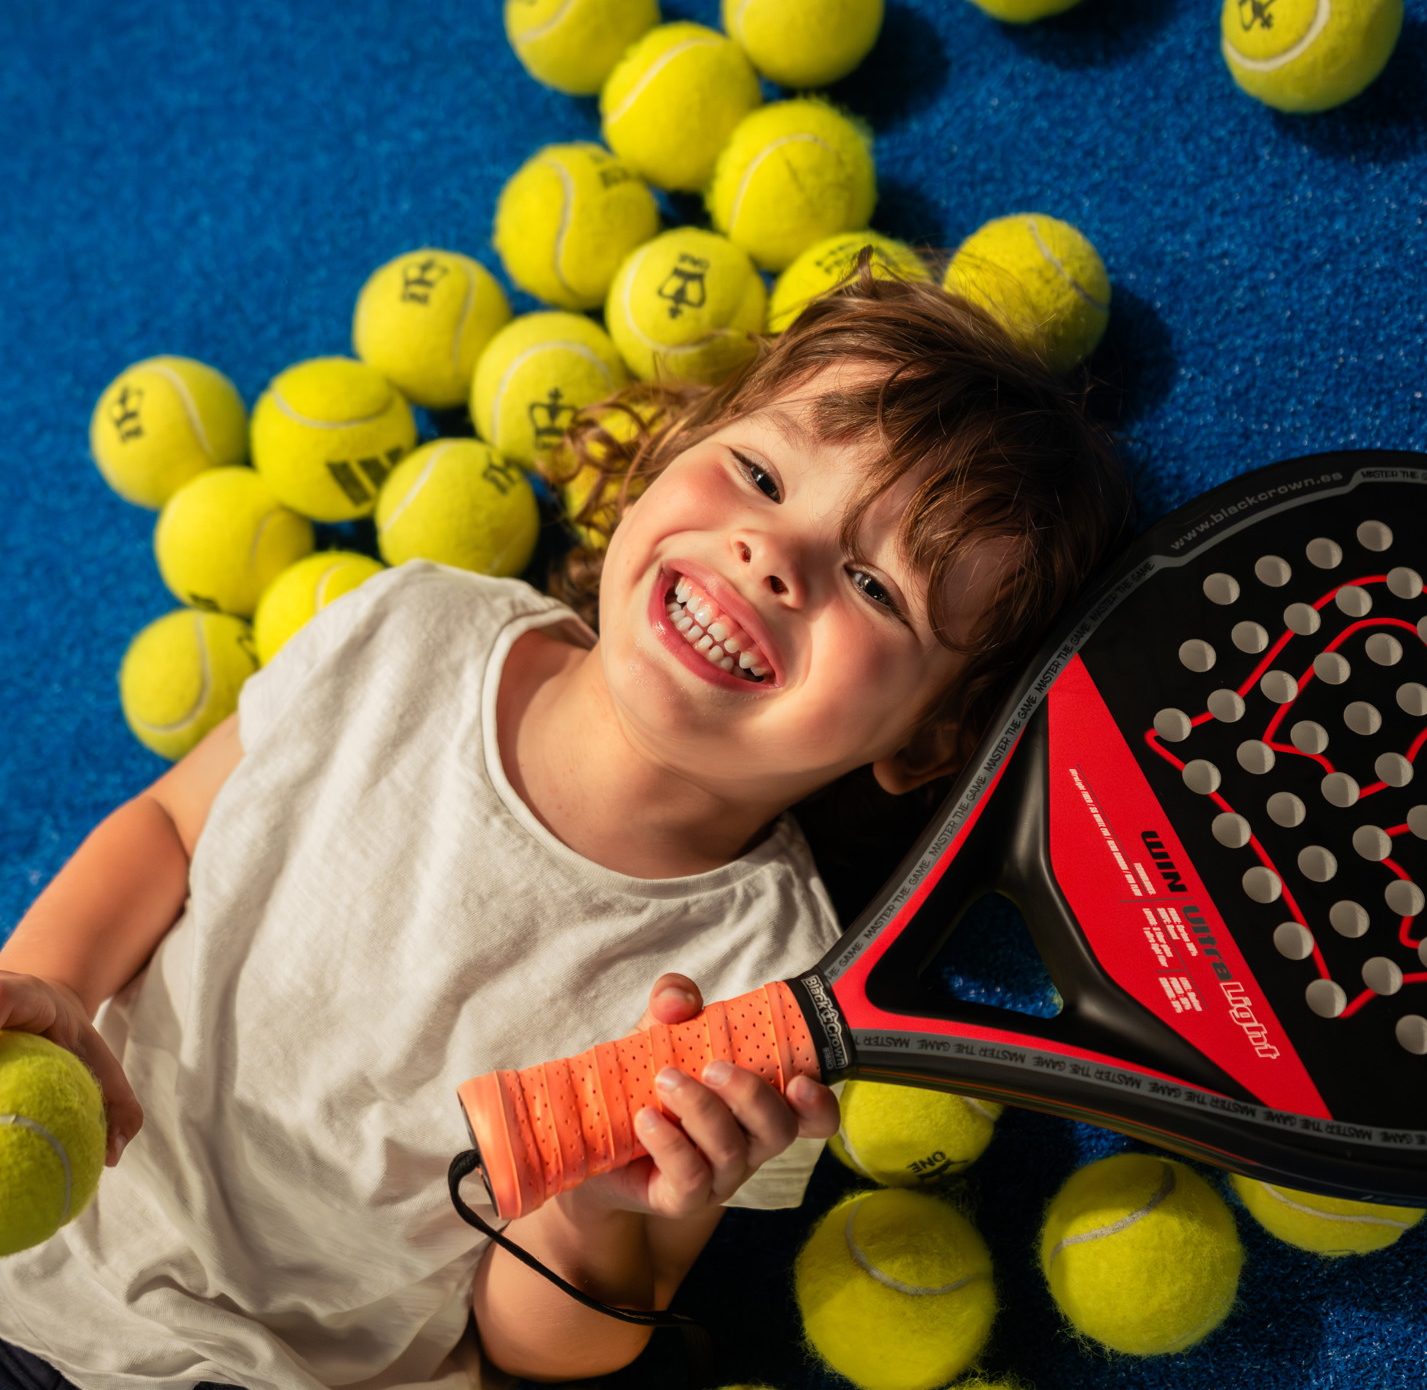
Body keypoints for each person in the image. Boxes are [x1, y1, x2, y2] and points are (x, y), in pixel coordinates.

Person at [0, 263, 1129, 1390]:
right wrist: (44, 989)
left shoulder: (763, 987)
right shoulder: (416, 622)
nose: (773, 557)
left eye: (877, 589)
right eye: (758, 471)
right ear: (667, 454)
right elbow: (165, 828)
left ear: (931, 740)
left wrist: (589, 1208)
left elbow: (539, 1356)